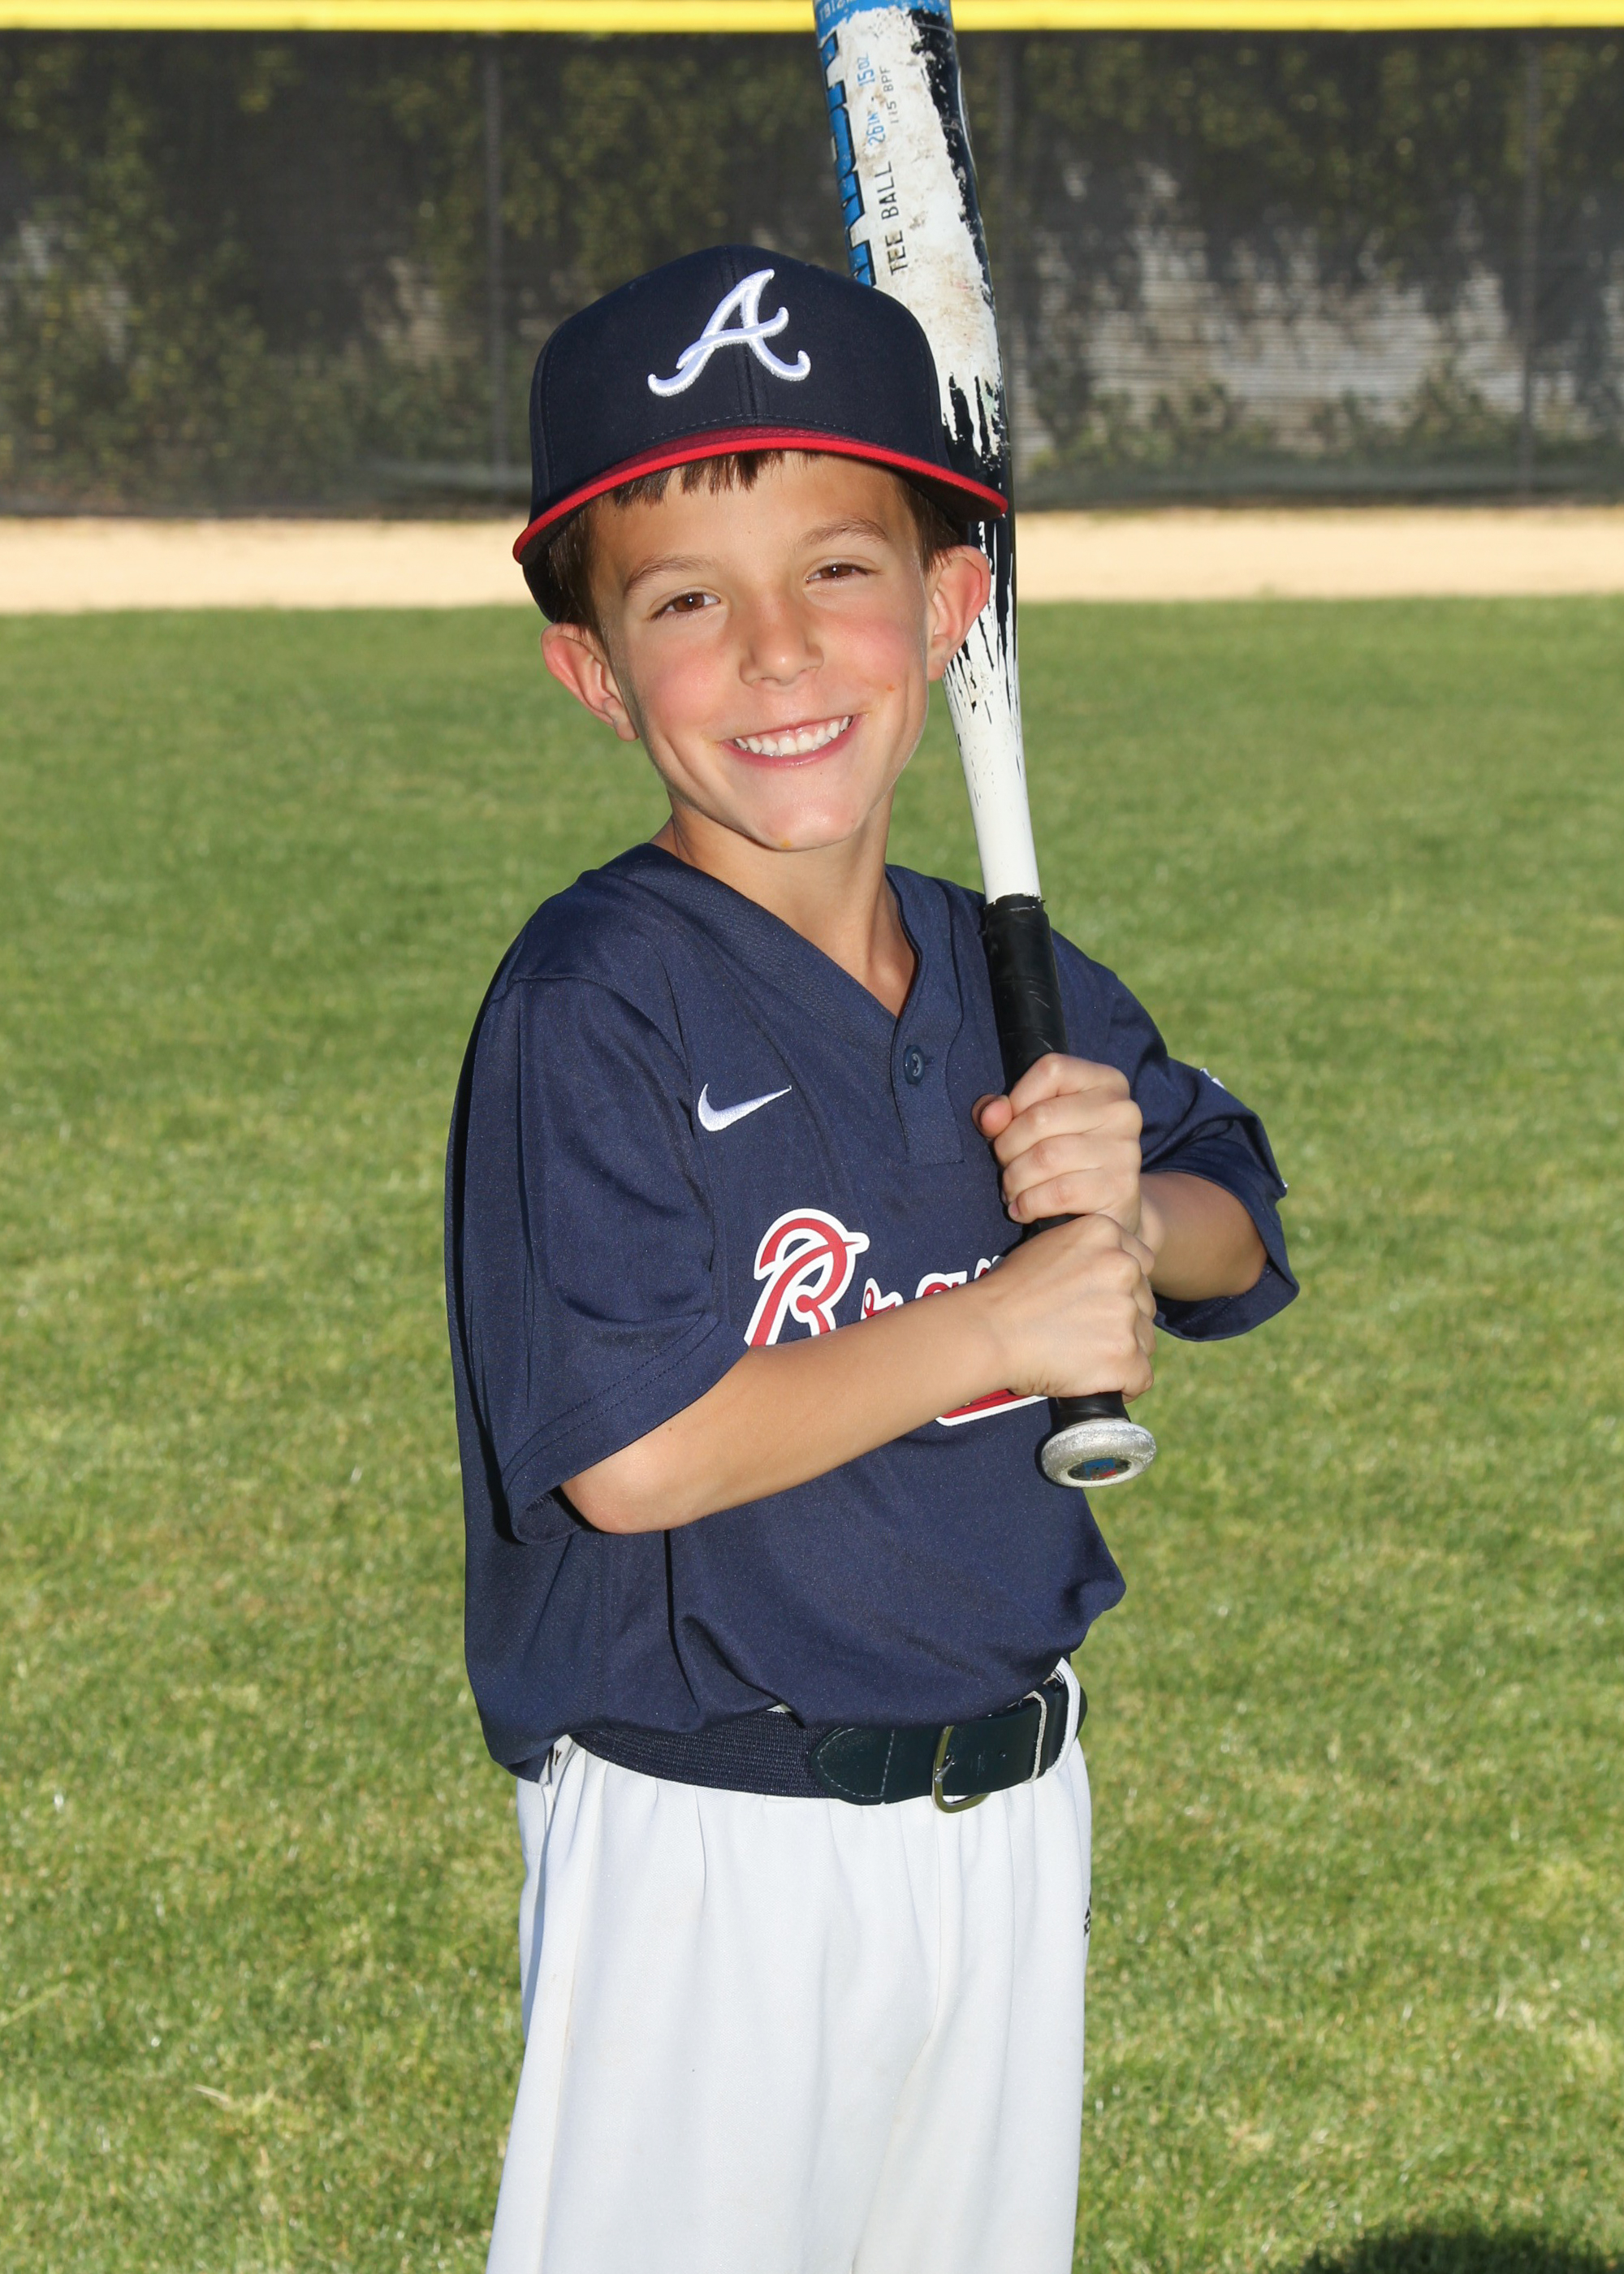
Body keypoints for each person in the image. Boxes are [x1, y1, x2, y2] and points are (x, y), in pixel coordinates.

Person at [445, 244, 1295, 2274]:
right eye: (684, 602)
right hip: (714, 1838)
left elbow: (1233, 1220)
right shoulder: (596, 999)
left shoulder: (1008, 971)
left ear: (947, 604)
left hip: (1006, 1811)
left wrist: (1127, 1215)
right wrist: (999, 1318)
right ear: (593, 672)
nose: (775, 652)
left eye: (837, 569)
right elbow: (635, 1453)